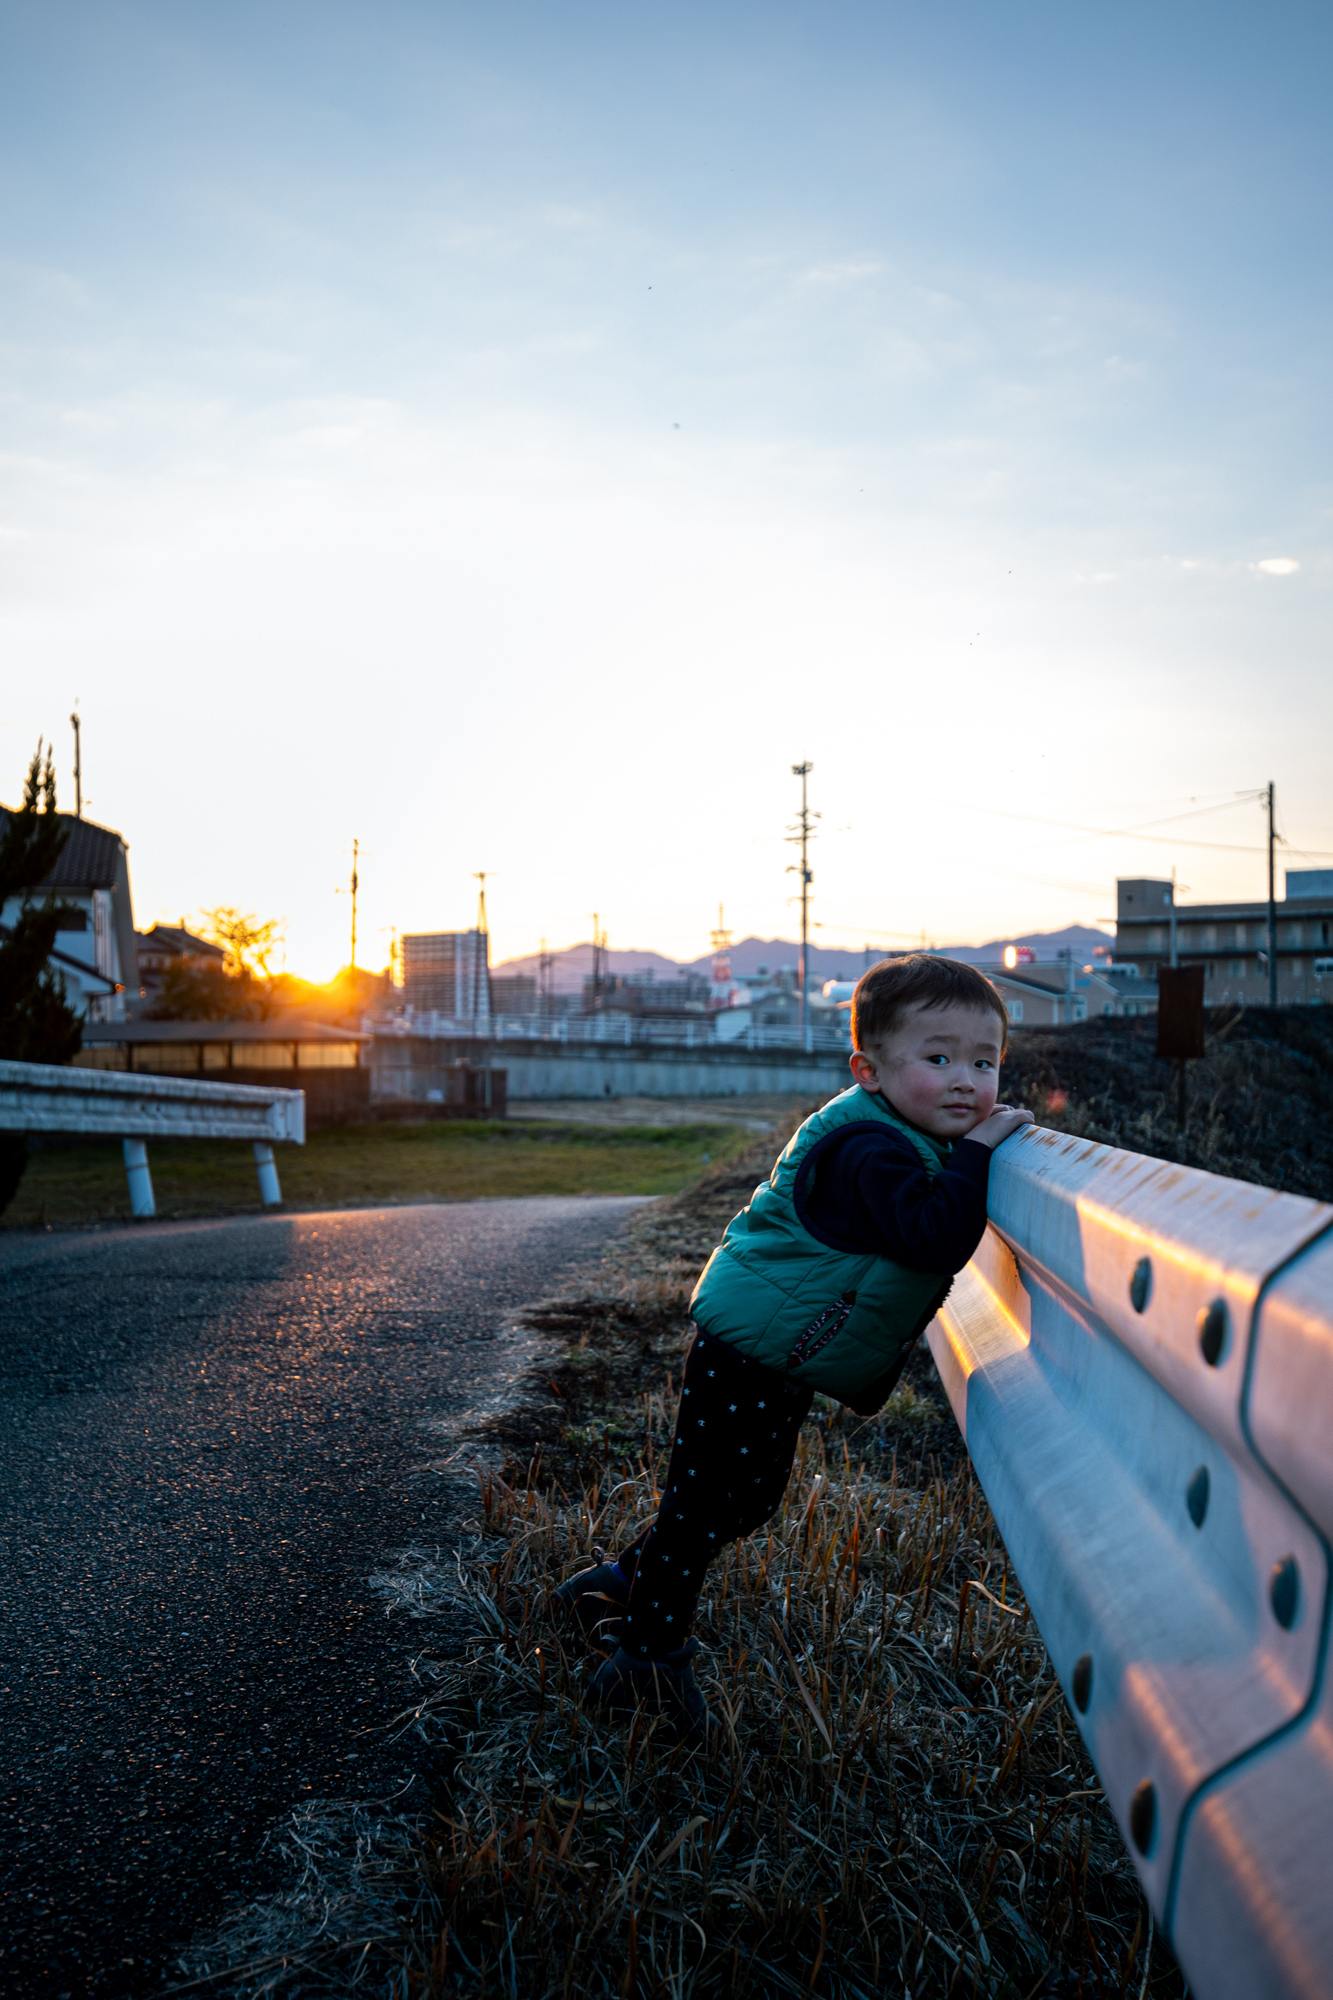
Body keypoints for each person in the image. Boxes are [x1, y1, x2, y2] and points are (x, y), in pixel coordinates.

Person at [554, 954, 1034, 1733]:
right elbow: (933, 1237)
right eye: (938, 1058)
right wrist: (980, 1151)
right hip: (745, 1351)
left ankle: (612, 1586)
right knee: (701, 1508)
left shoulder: (895, 1132)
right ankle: (644, 1664)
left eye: (984, 1063)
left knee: (742, 1500)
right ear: (868, 1070)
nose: (965, 1083)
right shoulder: (866, 1150)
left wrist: (966, 1149)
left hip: (771, 1348)